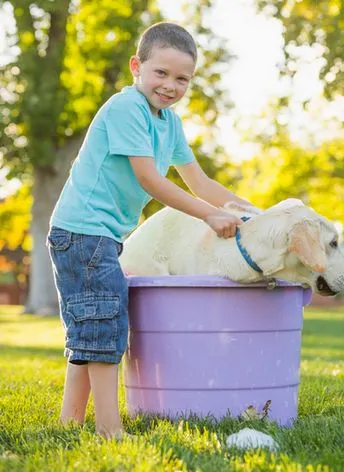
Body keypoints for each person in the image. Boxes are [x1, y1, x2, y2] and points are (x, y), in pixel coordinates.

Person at [47, 22, 255, 439]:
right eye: (161, 73)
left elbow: (202, 184)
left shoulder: (169, 123)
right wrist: (208, 216)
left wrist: (254, 214)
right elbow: (151, 181)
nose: (171, 86)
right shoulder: (127, 109)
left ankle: (70, 423)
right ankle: (109, 429)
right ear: (136, 67)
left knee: (92, 326)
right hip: (83, 233)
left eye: (182, 79)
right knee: (105, 327)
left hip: (102, 236)